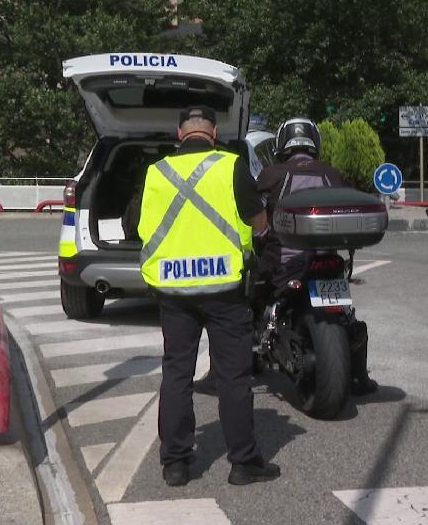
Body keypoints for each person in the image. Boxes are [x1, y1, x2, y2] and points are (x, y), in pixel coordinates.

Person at [138, 106, 280, 487]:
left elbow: (132, 222)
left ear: (179, 132)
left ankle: (176, 464)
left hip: (173, 289)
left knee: (177, 373)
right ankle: (243, 463)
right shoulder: (232, 167)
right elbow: (259, 222)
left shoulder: (156, 173)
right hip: (225, 291)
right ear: (214, 133)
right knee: (234, 376)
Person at [195, 117, 378, 396]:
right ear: (314, 142)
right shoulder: (332, 173)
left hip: (282, 261)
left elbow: (254, 214)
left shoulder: (271, 174)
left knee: (241, 303)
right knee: (347, 313)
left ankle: (224, 372)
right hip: (327, 259)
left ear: (282, 143)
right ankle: (359, 376)